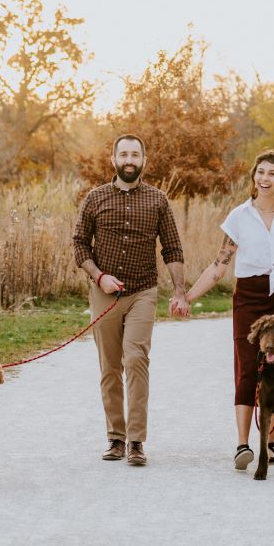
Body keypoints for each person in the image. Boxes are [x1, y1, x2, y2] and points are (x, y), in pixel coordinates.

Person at [171, 149, 274, 470]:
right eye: (260, 172)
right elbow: (219, 266)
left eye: (271, 173)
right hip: (250, 298)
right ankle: (243, 445)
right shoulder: (239, 216)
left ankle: (271, 443)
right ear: (253, 177)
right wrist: (187, 296)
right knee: (249, 368)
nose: (264, 178)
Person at [73, 134, 188, 466]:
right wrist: (99, 277)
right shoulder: (94, 198)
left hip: (142, 292)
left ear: (143, 160)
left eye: (135, 154)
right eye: (123, 153)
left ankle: (137, 440)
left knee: (135, 358)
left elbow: (173, 248)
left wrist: (180, 290)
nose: (129, 159)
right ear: (113, 159)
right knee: (109, 366)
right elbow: (79, 244)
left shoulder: (157, 200)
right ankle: (116, 437)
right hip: (104, 292)